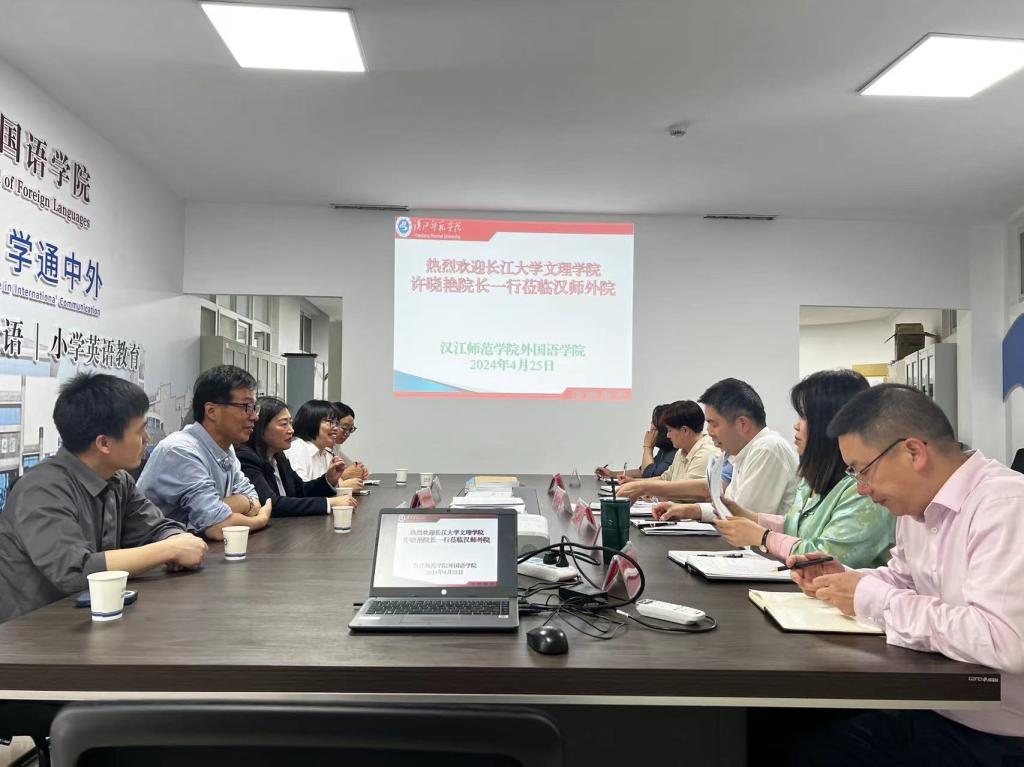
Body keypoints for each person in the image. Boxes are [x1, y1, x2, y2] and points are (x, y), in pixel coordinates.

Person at [790, 384, 1024, 765]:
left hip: (997, 737)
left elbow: (1003, 640)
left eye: (863, 471)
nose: (862, 489)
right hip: (935, 708)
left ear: (913, 452)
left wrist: (871, 598)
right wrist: (845, 578)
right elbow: (905, 579)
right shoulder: (917, 508)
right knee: (796, 741)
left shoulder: (1005, 505)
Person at [0, 373, 208, 624]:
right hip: (35, 631)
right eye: (140, 431)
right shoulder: (40, 490)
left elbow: (156, 528)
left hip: (92, 620)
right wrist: (170, 549)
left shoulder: (117, 479)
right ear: (104, 443)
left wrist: (174, 539)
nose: (147, 439)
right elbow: (76, 572)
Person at [713, 370, 896, 568]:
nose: (796, 425)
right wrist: (748, 517)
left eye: (804, 416)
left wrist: (764, 537)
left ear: (829, 423)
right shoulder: (813, 479)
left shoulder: (865, 489)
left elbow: (828, 559)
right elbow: (795, 527)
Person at [138, 365, 271, 540]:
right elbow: (218, 527)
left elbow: (253, 499)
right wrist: (260, 519)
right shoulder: (180, 450)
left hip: (197, 548)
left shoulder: (226, 447)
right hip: (158, 552)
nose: (254, 416)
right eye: (246, 406)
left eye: (254, 407)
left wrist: (233, 506)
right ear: (211, 411)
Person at [651, 378, 799, 522]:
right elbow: (727, 508)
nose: (709, 432)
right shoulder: (744, 453)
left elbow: (741, 517)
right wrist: (687, 510)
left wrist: (690, 510)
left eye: (714, 424)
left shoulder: (767, 449)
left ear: (742, 424)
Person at [237, 397, 358, 517]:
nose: (291, 430)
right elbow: (271, 504)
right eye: (284, 424)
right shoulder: (247, 458)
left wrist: (328, 479)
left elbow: (301, 490)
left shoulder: (279, 456)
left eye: (290, 423)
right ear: (261, 427)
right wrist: (329, 503)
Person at [616, 400, 720, 500]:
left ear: (685, 431)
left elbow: (685, 491)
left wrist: (645, 488)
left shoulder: (706, 453)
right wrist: (634, 482)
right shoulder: (682, 451)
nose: (667, 435)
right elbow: (665, 479)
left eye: (670, 430)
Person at [594, 404, 677, 481]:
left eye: (654, 427)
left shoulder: (675, 452)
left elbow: (648, 475)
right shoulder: (664, 450)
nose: (650, 430)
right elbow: (642, 471)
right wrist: (611, 474)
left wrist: (648, 447)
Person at [330, 401, 370, 479]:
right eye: (344, 427)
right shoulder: (317, 448)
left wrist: (359, 470)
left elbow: (351, 466)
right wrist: (343, 476)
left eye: (350, 429)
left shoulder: (335, 446)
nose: (347, 433)